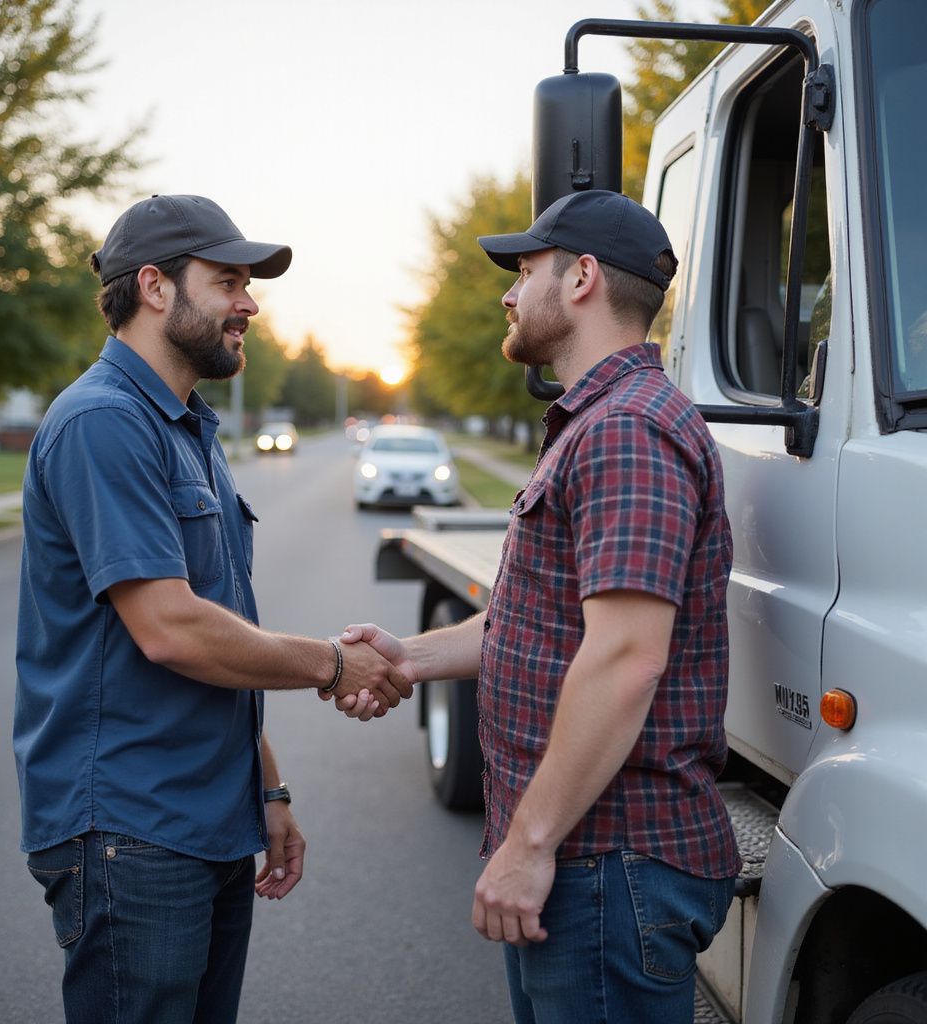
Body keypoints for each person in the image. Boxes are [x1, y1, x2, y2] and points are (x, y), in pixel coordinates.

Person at [336, 190, 741, 1023]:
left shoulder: (628, 429)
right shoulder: (596, 422)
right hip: (593, 867)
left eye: (524, 272)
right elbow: (536, 625)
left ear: (583, 277)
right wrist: (409, 657)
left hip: (608, 866)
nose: (508, 294)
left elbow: (626, 658)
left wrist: (528, 845)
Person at [14, 194, 412, 1024]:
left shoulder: (186, 427)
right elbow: (170, 629)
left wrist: (266, 788)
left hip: (204, 817)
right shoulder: (103, 424)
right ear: (154, 287)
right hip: (132, 828)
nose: (249, 304)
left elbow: (219, 628)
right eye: (228, 281)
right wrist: (336, 665)